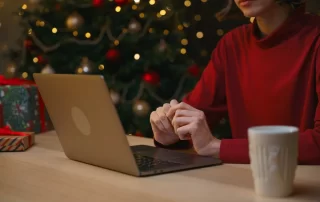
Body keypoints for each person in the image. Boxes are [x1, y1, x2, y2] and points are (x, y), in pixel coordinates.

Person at [149, 0, 320, 164]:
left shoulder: (315, 39)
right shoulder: (232, 45)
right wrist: (171, 134)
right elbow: (191, 118)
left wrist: (217, 147)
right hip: (244, 181)